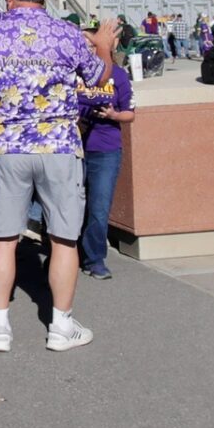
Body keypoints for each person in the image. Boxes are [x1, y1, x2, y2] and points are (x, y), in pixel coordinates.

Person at [0, 0, 107, 355]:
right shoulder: (66, 33)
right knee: (63, 239)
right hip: (58, 144)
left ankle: (1, 326)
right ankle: (60, 325)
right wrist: (105, 46)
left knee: (3, 239)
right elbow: (96, 77)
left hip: (6, 145)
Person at [78, 17, 135, 281]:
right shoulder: (75, 74)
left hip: (106, 150)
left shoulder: (120, 76)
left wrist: (113, 115)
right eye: (88, 44)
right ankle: (63, 253)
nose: (91, 49)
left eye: (96, 43)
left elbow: (130, 114)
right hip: (76, 148)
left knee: (99, 207)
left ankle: (95, 258)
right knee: (69, 206)